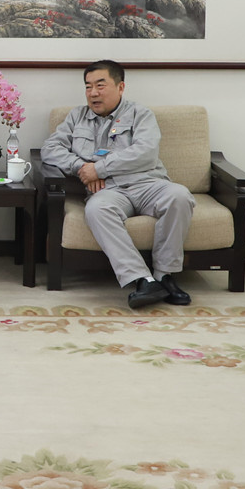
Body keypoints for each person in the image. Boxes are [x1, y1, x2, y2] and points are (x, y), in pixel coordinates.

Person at [42, 60, 196, 310]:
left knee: (180, 196)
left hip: (147, 183)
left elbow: (145, 153)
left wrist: (100, 168)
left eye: (100, 85)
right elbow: (50, 149)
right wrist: (82, 167)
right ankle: (143, 280)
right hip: (107, 190)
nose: (93, 93)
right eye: (88, 86)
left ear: (120, 87)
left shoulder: (140, 114)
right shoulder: (76, 117)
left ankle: (164, 276)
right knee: (96, 210)